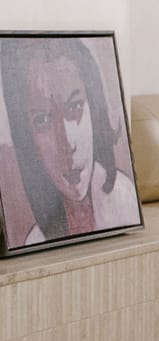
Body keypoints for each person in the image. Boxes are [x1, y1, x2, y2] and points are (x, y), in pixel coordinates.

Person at [2, 38, 141, 248]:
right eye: (43, 120)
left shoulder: (124, 202)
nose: (67, 143)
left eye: (75, 106)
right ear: (28, 139)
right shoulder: (35, 242)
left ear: (94, 109)